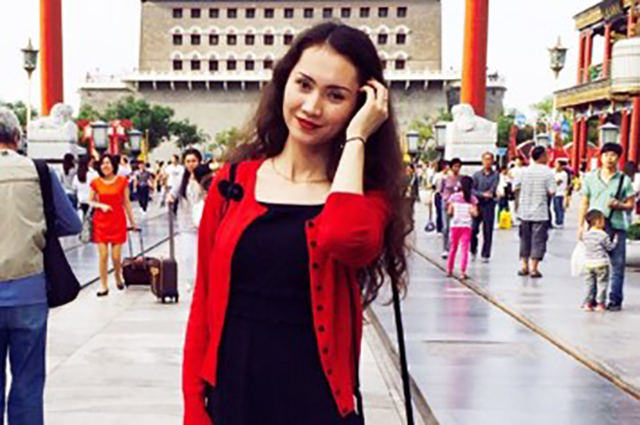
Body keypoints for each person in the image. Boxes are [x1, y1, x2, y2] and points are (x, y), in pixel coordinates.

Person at [182, 22, 410, 425]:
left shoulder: (365, 197)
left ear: (360, 105)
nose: (312, 107)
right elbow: (204, 301)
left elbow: (345, 237)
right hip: (234, 398)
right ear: (284, 82)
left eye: (335, 95)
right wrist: (193, 404)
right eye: (304, 85)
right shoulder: (232, 183)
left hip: (316, 404)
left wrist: (356, 139)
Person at [0, 107, 82, 425]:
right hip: (30, 289)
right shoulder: (39, 171)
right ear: (17, 137)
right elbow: (72, 223)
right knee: (28, 382)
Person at [578, 143, 635, 311]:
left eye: (613, 155)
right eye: (606, 155)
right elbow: (584, 202)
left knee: (617, 265)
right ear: (601, 157)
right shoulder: (590, 178)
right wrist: (580, 225)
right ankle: (592, 299)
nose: (609, 159)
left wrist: (619, 205)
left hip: (616, 226)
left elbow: (631, 204)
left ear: (618, 158)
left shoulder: (624, 180)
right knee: (593, 264)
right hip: (595, 228)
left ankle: (615, 300)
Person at [90, 154, 138, 297]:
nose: (105, 166)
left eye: (108, 163)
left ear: (114, 165)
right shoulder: (96, 182)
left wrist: (132, 221)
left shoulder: (122, 181)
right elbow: (90, 201)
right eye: (103, 163)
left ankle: (117, 275)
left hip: (117, 221)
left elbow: (127, 202)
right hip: (100, 222)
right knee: (103, 256)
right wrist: (101, 205)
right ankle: (103, 285)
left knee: (116, 256)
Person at [514, 146, 555, 278]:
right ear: (542, 156)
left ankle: (524, 266)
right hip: (540, 212)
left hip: (524, 211)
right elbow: (552, 191)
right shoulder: (548, 172)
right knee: (538, 240)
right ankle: (534, 268)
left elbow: (515, 187)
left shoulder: (522, 171)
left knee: (524, 239)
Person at [582, 210, 617, 312]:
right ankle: (600, 303)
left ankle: (588, 303)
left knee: (589, 285)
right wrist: (615, 241)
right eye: (602, 220)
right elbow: (609, 247)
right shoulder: (603, 235)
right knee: (602, 284)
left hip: (588, 263)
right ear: (597, 221)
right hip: (601, 263)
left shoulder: (585, 235)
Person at [447, 176, 478, 279]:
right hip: (466, 226)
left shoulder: (454, 197)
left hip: (455, 225)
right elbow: (475, 213)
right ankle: (462, 272)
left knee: (453, 248)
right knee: (465, 249)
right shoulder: (472, 199)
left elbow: (449, 211)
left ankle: (449, 269)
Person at [471, 152, 498, 262]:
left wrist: (489, 194)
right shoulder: (476, 175)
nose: (487, 162)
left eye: (490, 159)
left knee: (487, 230)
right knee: (473, 229)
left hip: (489, 205)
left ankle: (486, 254)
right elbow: (472, 189)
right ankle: (473, 249)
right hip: (477, 204)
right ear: (482, 161)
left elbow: (493, 188)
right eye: (485, 159)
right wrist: (482, 194)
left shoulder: (495, 175)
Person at [439, 157, 462, 258]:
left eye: (458, 167)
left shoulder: (461, 178)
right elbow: (440, 190)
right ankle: (445, 248)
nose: (457, 168)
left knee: (455, 227)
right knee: (446, 227)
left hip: (457, 204)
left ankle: (453, 247)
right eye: (455, 166)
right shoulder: (445, 178)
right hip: (446, 203)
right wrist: (445, 199)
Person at [73, 154, 99, 219]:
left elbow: (74, 188)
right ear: (88, 163)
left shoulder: (77, 176)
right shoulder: (94, 174)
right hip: (92, 202)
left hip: (81, 202)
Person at [432, 159, 449, 234]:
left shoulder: (449, 175)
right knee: (439, 211)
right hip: (438, 194)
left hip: (447, 195)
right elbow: (433, 185)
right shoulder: (438, 175)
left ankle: (445, 226)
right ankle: (439, 227)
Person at [553, 159, 569, 227]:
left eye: (557, 165)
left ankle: (560, 222)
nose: (556, 166)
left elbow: (557, 182)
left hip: (560, 193)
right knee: (555, 208)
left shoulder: (563, 174)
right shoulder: (554, 172)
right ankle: (557, 221)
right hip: (555, 192)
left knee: (559, 208)